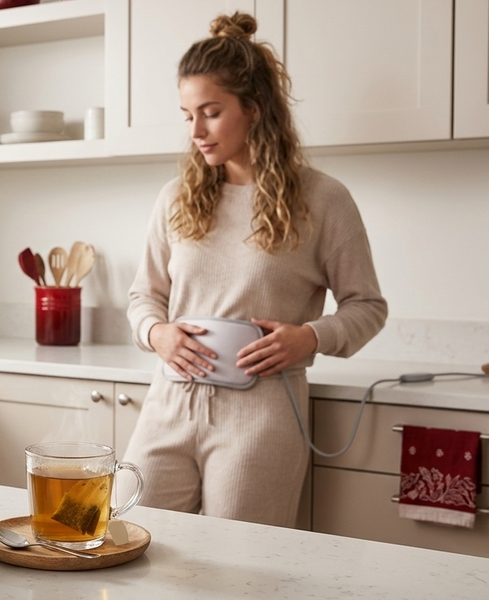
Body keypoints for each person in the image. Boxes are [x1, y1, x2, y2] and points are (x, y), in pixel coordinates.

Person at [121, 12, 388, 527]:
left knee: (240, 570)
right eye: (187, 114)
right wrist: (158, 335)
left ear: (255, 109)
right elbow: (143, 298)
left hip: (263, 416)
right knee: (133, 543)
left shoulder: (324, 200)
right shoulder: (176, 197)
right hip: (168, 404)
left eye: (211, 112)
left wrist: (309, 338)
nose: (196, 131)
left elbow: (368, 307)